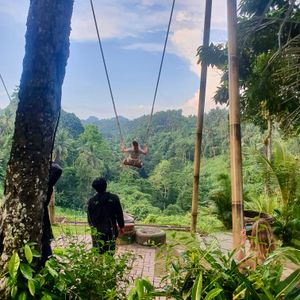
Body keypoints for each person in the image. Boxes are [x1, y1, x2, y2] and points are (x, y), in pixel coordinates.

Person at [87, 177, 125, 254]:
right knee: (110, 253)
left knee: (98, 253)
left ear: (95, 188)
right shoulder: (114, 198)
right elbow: (119, 214)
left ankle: (98, 265)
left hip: (97, 232)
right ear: (106, 185)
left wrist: (93, 229)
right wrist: (121, 227)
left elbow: (89, 218)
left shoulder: (91, 201)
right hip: (111, 231)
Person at [41, 162, 62, 266]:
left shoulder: (45, 184)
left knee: (45, 245)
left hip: (41, 217)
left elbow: (57, 169)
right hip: (41, 218)